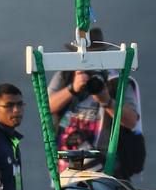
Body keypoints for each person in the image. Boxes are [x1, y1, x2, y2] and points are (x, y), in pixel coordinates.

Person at [47, 27, 144, 179]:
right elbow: (46, 107)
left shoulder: (116, 80)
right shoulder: (66, 75)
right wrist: (72, 89)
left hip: (108, 168)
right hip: (69, 168)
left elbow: (131, 121)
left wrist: (106, 100)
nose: (87, 61)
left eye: (92, 55)